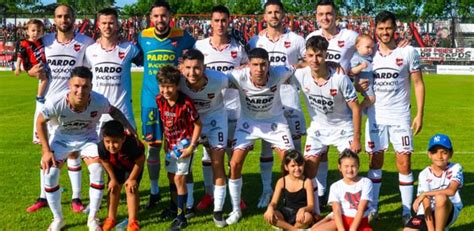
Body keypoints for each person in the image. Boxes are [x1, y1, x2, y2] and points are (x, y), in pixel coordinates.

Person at [36, 66, 135, 231]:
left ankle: (92, 219)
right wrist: (46, 151)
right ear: (70, 85)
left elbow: (114, 111)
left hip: (88, 139)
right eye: (76, 86)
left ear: (91, 86)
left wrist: (128, 126)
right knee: (50, 174)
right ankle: (58, 219)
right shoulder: (56, 101)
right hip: (62, 140)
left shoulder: (98, 100)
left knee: (97, 170)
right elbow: (40, 121)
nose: (80, 91)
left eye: (85, 86)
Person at [26, 4, 94, 213]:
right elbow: (30, 68)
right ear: (54, 20)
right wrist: (31, 72)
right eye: (59, 16)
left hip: (73, 104)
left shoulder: (85, 43)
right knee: (45, 150)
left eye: (67, 16)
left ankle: (76, 197)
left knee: (73, 150)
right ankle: (43, 196)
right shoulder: (44, 42)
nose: (63, 20)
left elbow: (91, 71)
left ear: (74, 18)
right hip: (47, 104)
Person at [365, 10, 425, 223]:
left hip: (400, 116)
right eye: (380, 28)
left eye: (388, 28)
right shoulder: (367, 54)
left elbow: (418, 83)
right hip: (375, 117)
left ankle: (407, 210)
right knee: (375, 162)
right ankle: (372, 208)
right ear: (375, 30)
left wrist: (419, 113)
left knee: (404, 163)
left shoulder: (408, 51)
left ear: (395, 28)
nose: (384, 32)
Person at [225, 48, 295, 225]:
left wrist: (331, 63)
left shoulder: (279, 73)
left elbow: (299, 65)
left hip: (276, 123)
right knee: (234, 163)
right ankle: (235, 209)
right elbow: (213, 78)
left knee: (290, 163)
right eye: (255, 65)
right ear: (248, 65)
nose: (259, 69)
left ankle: (287, 206)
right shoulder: (236, 76)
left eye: (263, 64)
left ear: (269, 65)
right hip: (248, 123)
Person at [294, 35, 362, 218]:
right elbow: (282, 70)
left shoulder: (340, 78)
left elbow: (355, 109)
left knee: (349, 169)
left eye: (319, 56)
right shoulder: (300, 75)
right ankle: (314, 211)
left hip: (343, 128)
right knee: (308, 169)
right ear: (306, 56)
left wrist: (356, 138)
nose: (315, 60)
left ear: (326, 55)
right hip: (318, 128)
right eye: (310, 56)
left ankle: (350, 212)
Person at [248, 0, 307, 208]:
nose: (273, 16)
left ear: (283, 15)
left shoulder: (297, 40)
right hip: (265, 103)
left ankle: (297, 191)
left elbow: (308, 61)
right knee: (266, 147)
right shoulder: (255, 40)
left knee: (295, 148)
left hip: (290, 99)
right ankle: (267, 190)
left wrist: (295, 67)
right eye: (270, 12)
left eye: (277, 12)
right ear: (264, 16)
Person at [137, 0, 196, 208]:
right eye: (156, 16)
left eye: (163, 15)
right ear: (150, 18)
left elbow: (194, 58)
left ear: (170, 16)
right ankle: (154, 192)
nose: (160, 20)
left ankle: (186, 197)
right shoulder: (142, 37)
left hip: (175, 103)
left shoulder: (183, 37)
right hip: (151, 103)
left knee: (180, 148)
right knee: (153, 148)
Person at [193, 5, 248, 212]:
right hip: (208, 108)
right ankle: (209, 193)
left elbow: (246, 70)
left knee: (232, 154)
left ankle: (237, 196)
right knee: (208, 156)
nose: (220, 24)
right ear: (210, 22)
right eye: (216, 20)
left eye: (223, 20)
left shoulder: (238, 47)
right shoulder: (200, 46)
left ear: (229, 22)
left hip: (233, 107)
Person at [305, 0, 359, 206]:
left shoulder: (350, 36)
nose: (325, 18)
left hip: (343, 103)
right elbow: (307, 62)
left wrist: (357, 70)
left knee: (348, 161)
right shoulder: (311, 37)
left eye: (329, 14)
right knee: (319, 156)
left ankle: (352, 203)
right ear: (316, 17)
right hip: (321, 108)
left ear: (336, 15)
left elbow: (370, 50)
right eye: (321, 14)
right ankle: (320, 196)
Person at [178, 49, 230, 227]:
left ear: (204, 68)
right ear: (182, 68)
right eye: (188, 68)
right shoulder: (178, 81)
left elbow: (241, 83)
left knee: (217, 163)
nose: (192, 73)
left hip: (216, 120)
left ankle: (218, 210)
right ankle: (190, 204)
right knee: (187, 164)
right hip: (191, 123)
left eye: (197, 68)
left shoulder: (219, 79)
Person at [155, 65, 202, 230]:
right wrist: (165, 142)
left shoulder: (186, 102)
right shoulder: (159, 100)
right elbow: (164, 122)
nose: (166, 90)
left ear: (177, 86)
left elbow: (197, 124)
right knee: (170, 176)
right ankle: (173, 208)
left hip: (184, 147)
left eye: (169, 86)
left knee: (179, 179)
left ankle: (182, 218)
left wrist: (191, 146)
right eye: (162, 86)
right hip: (170, 146)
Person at [86, 8, 141, 132]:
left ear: (117, 25)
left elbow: (147, 63)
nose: (107, 26)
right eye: (104, 23)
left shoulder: (129, 48)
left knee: (129, 150)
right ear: (98, 25)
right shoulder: (90, 51)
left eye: (111, 23)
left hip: (123, 113)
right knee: (96, 151)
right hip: (97, 114)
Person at [404, 134, 463, 231]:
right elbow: (426, 203)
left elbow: (451, 191)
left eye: (444, 152)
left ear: (451, 153)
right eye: (435, 152)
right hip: (427, 212)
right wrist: (431, 229)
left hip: (448, 211)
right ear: (429, 154)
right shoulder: (424, 174)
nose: (439, 156)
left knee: (440, 197)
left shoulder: (456, 168)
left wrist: (425, 193)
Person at [99, 120, 145, 231]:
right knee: (113, 188)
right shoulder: (101, 146)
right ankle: (111, 218)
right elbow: (104, 161)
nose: (111, 145)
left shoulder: (132, 144)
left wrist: (133, 178)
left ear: (123, 139)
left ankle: (132, 221)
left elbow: (140, 160)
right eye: (107, 141)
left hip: (133, 166)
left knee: (131, 188)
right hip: (116, 166)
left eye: (115, 142)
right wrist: (113, 179)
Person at [312, 150, 373, 231]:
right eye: (346, 166)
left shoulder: (366, 182)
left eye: (353, 166)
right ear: (340, 167)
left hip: (360, 221)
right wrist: (341, 229)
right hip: (341, 219)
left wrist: (352, 229)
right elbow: (336, 210)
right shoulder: (335, 186)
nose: (350, 169)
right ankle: (327, 219)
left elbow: (361, 208)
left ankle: (328, 218)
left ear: (358, 166)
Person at [264, 150, 314, 230]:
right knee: (268, 215)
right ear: (286, 167)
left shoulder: (307, 182)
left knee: (308, 218)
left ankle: (285, 227)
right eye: (293, 166)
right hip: (286, 212)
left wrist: (302, 209)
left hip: (302, 215)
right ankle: (295, 229)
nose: (297, 168)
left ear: (304, 165)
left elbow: (311, 205)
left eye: (300, 165)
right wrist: (270, 207)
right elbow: (274, 202)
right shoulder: (281, 181)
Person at [15, 19, 48, 107]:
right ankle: (39, 96)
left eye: (38, 31)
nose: (36, 33)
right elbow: (20, 56)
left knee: (46, 77)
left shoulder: (41, 41)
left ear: (42, 32)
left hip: (42, 64)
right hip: (33, 66)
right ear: (27, 32)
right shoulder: (25, 43)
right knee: (44, 79)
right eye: (33, 30)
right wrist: (17, 67)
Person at [350, 34, 376, 111]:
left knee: (370, 99)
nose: (370, 50)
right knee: (371, 99)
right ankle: (357, 111)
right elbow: (352, 71)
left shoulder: (368, 57)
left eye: (372, 48)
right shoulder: (356, 57)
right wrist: (360, 67)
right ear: (358, 47)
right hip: (364, 83)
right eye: (367, 47)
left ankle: (363, 111)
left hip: (370, 83)